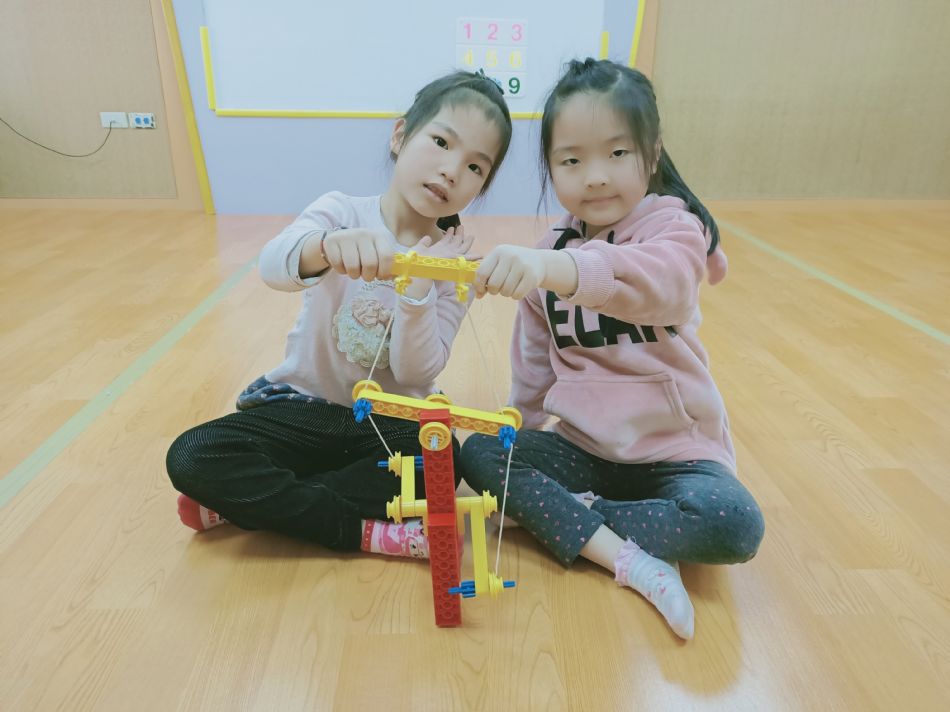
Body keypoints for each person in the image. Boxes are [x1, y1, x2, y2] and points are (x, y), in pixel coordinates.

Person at [461, 59, 763, 639]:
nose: (595, 177)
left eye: (617, 153)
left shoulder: (675, 229)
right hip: (584, 449)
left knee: (734, 524)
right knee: (479, 452)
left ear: (652, 154)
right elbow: (533, 365)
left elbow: (664, 284)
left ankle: (570, 518)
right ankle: (627, 553)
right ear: (550, 167)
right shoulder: (550, 251)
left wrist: (558, 268)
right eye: (571, 161)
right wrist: (519, 433)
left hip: (677, 456)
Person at [166, 70, 512, 561]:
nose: (452, 170)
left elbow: (416, 372)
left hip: (386, 424)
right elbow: (273, 266)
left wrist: (418, 290)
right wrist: (325, 246)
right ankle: (366, 531)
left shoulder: (454, 265)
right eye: (440, 142)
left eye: (476, 167)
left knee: (441, 461)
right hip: (301, 406)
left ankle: (258, 506)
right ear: (400, 135)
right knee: (192, 454)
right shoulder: (342, 212)